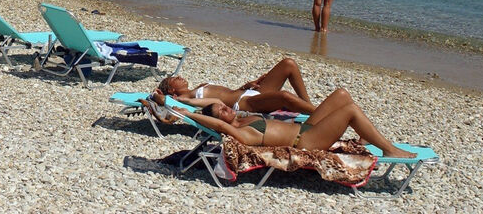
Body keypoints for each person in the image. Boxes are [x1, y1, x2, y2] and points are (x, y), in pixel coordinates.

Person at [156, 87, 416, 159]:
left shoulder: (243, 117)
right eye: (222, 111)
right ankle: (389, 149)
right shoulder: (241, 133)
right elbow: (220, 125)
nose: (225, 108)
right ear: (218, 122)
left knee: (341, 95)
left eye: (224, 106)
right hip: (307, 141)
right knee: (351, 110)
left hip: (307, 128)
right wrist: (187, 114)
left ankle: (366, 136)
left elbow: (212, 102)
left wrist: (174, 102)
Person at [157, 58, 315, 115]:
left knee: (288, 64)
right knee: (284, 96)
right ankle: (317, 112)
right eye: (174, 79)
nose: (179, 77)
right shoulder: (185, 99)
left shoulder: (199, 87)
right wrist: (157, 94)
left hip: (248, 93)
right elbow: (162, 100)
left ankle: (309, 106)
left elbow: (229, 92)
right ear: (171, 90)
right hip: (244, 104)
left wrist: (246, 86)